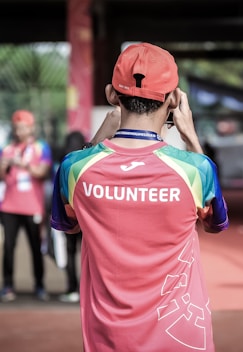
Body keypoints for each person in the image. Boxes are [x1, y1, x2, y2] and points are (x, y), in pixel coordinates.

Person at [51, 42, 229, 352]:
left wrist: (95, 143)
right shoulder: (196, 169)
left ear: (111, 95)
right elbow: (215, 224)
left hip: (108, 339)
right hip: (181, 338)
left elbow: (71, 226)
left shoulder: (74, 167)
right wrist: (191, 138)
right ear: (174, 99)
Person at [0, 110, 52, 302]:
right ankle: (8, 285)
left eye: (23, 127)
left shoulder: (41, 147)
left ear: (31, 128)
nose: (19, 131)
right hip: (9, 206)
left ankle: (39, 285)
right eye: (17, 127)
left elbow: (42, 172)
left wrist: (22, 164)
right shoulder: (6, 148)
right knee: (8, 248)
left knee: (35, 247)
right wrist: (4, 165)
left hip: (32, 207)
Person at [58, 131, 85, 303]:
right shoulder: (87, 161)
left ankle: (71, 288)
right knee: (88, 254)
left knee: (70, 252)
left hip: (69, 214)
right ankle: (85, 289)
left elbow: (61, 192)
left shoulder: (66, 162)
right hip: (86, 217)